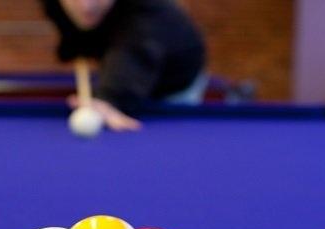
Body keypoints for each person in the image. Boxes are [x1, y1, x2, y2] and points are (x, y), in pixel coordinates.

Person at [41, 0, 206, 131]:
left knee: (171, 143)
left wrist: (109, 98)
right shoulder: (53, 3)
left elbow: (133, 52)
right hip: (127, 60)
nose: (86, 6)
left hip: (174, 80)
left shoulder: (144, 12)